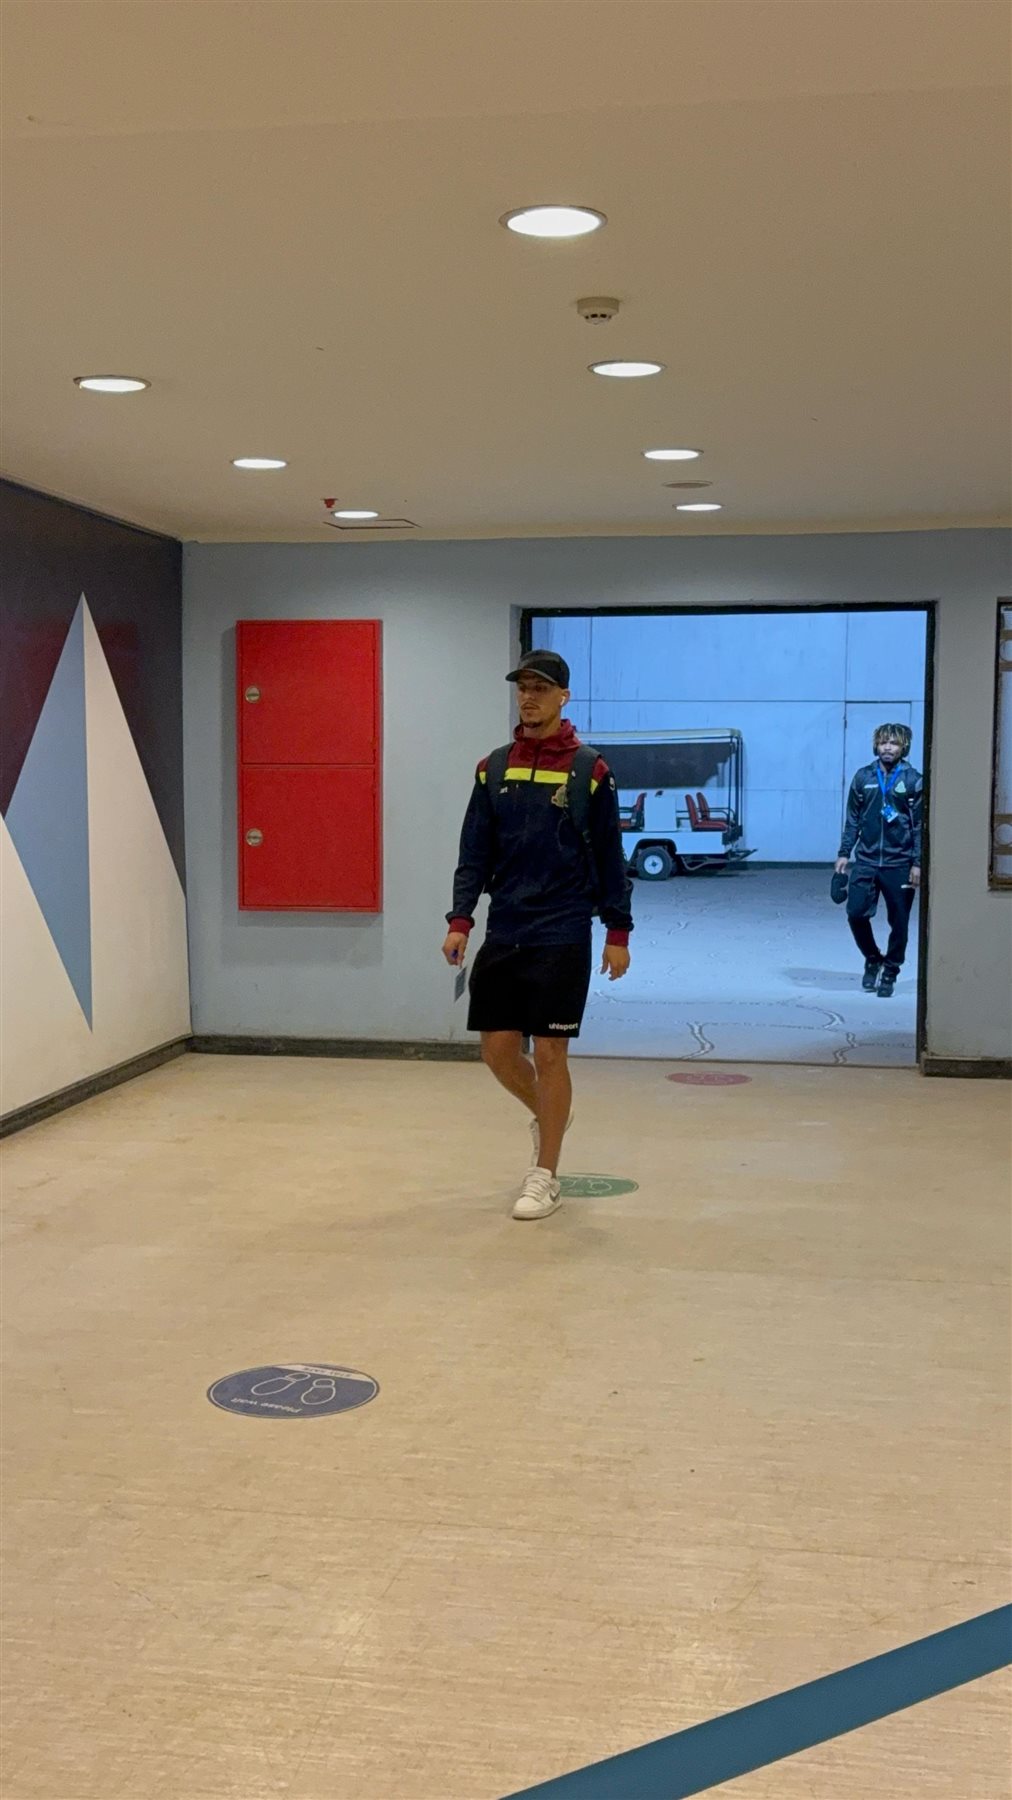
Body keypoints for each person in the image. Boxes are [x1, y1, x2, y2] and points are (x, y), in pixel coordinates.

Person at [442, 649, 633, 1221]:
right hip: (507, 927)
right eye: (523, 687)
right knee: (497, 1051)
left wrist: (618, 930)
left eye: (541, 688)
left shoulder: (589, 771)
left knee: (550, 1052)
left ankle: (545, 1174)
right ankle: (552, 1113)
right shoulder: (493, 768)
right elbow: (474, 851)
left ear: (563, 697)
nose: (529, 697)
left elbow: (610, 855)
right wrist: (460, 919)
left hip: (563, 930)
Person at [835, 723, 923, 998]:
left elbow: (919, 826)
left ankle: (891, 970)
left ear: (903, 747)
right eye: (884, 742)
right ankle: (873, 958)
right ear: (876, 745)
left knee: (899, 922)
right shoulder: (863, 777)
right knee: (855, 913)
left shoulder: (913, 780)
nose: (888, 747)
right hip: (867, 859)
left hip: (900, 863)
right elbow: (852, 819)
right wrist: (844, 852)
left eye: (894, 743)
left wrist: (917, 862)